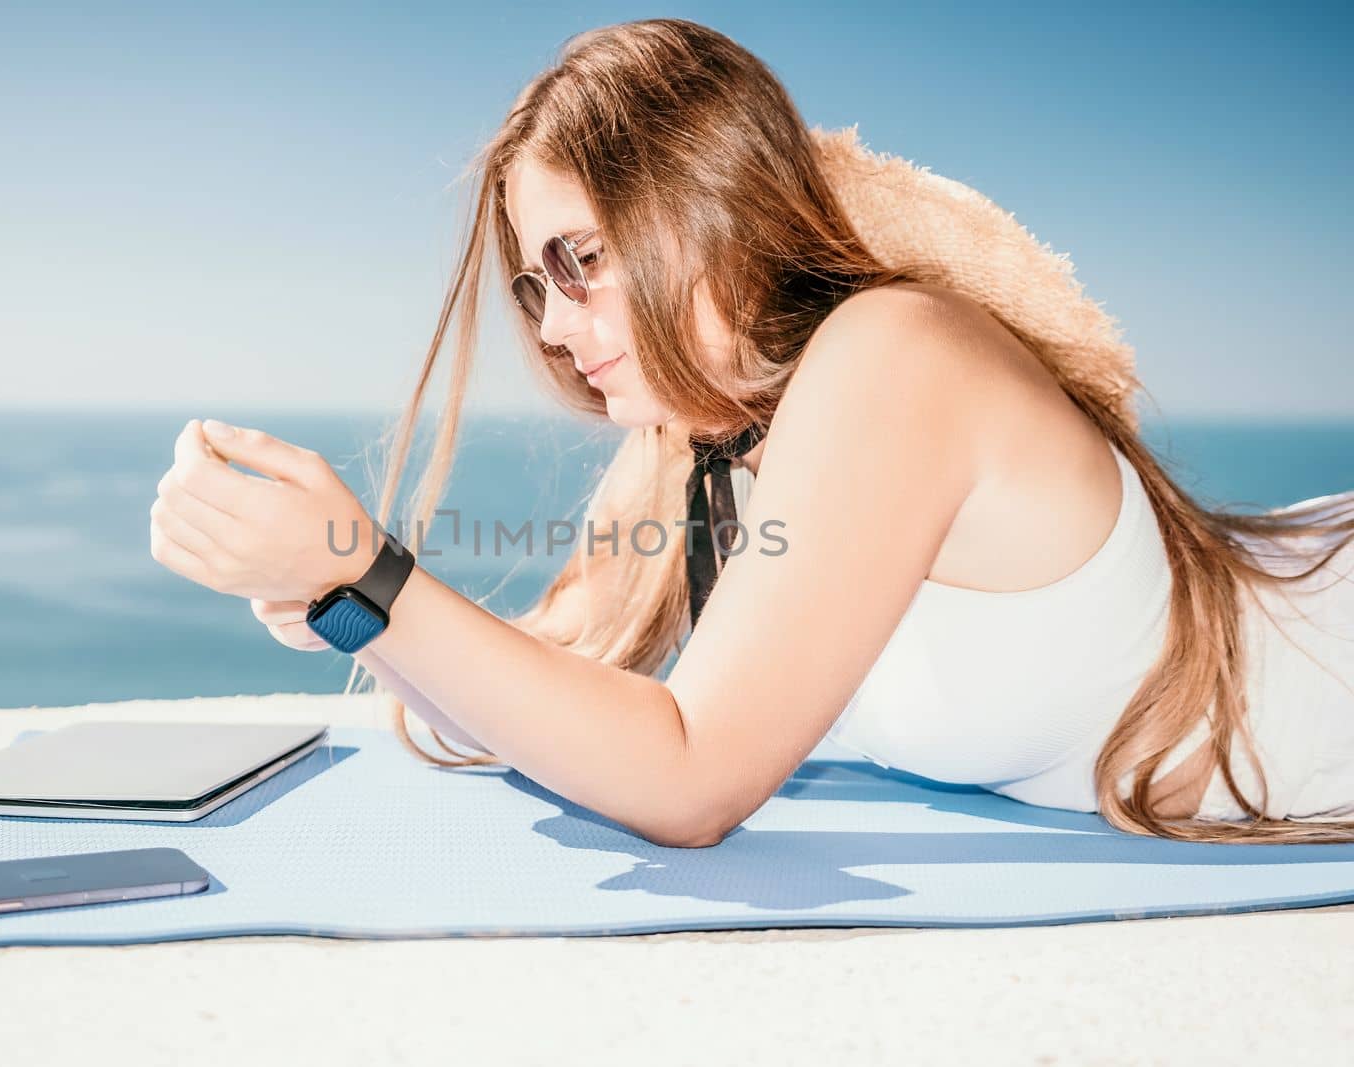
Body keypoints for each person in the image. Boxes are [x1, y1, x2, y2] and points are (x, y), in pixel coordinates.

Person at [151, 18, 1354, 846]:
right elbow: (525, 697)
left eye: (584, 261)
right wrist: (340, 597)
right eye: (533, 285)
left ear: (700, 211)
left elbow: (687, 779)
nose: (557, 327)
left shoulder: (895, 356)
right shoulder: (691, 447)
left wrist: (369, 569)